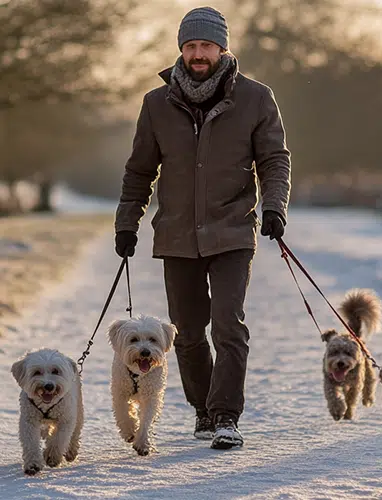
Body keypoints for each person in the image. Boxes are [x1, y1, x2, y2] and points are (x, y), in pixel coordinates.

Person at [114, 6, 291, 450]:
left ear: (222, 48)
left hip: (233, 230)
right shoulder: (156, 103)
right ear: (181, 49)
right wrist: (126, 223)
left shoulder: (255, 97)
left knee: (228, 324)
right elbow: (139, 170)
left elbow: (274, 159)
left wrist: (274, 207)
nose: (198, 53)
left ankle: (227, 415)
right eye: (190, 45)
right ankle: (203, 411)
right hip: (176, 234)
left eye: (206, 45)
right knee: (188, 333)